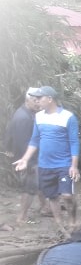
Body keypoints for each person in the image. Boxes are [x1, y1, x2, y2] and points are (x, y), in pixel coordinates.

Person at [14, 86, 80, 234]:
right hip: (45, 164)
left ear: (50, 99)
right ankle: (60, 224)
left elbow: (74, 142)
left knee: (67, 195)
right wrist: (25, 159)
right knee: (52, 196)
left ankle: (73, 219)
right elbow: (34, 140)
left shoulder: (68, 117)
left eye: (40, 98)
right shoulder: (39, 117)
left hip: (64, 164)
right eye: (35, 98)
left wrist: (74, 166)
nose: (36, 101)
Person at [3, 88, 45, 224]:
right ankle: (22, 217)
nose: (38, 103)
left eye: (39, 100)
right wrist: (29, 161)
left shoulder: (26, 113)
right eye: (35, 100)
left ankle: (45, 208)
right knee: (30, 187)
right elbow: (23, 143)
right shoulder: (23, 118)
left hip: (30, 157)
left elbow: (9, 133)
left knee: (40, 183)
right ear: (27, 100)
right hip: (27, 159)